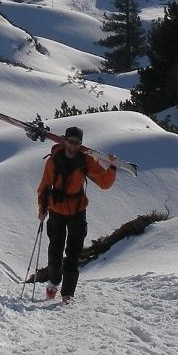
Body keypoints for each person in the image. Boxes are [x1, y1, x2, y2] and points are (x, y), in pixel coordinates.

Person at [36, 125, 117, 303]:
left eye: (77, 143)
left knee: (74, 253)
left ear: (81, 144)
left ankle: (67, 294)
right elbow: (44, 187)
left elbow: (104, 183)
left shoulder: (85, 161)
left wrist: (111, 168)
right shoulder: (53, 161)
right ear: (65, 141)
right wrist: (42, 210)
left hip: (77, 211)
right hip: (56, 210)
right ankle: (53, 283)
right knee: (55, 251)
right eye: (71, 141)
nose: (73, 146)